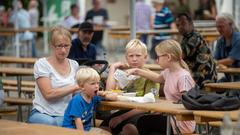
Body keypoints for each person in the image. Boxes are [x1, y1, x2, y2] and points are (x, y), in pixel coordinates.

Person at [126, 39, 196, 135]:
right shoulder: (168, 72)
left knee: (143, 122)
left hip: (181, 123)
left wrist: (164, 109)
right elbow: (157, 78)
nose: (156, 60)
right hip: (170, 117)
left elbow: (187, 102)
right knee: (145, 123)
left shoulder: (183, 77)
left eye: (158, 57)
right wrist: (136, 71)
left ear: (168, 57)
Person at [101, 39, 159, 135]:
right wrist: (112, 68)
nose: (134, 59)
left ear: (145, 57)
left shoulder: (151, 76)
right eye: (131, 56)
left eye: (138, 55)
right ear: (126, 58)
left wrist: (121, 118)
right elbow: (109, 92)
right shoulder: (124, 73)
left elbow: (148, 106)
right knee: (103, 129)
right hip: (123, 111)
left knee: (129, 129)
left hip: (142, 114)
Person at [28, 26, 80, 126]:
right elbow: (48, 94)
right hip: (42, 113)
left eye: (66, 45)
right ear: (51, 46)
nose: (63, 50)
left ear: (71, 45)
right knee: (52, 123)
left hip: (65, 114)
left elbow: (75, 95)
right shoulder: (41, 64)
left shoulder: (74, 65)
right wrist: (75, 87)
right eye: (59, 46)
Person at [62, 67, 117, 134]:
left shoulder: (94, 96)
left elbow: (114, 97)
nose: (97, 86)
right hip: (71, 130)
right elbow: (77, 121)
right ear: (82, 87)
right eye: (93, 83)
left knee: (107, 131)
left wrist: (104, 94)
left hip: (86, 128)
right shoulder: (77, 100)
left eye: (97, 83)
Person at [175, 13, 217, 88]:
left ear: (191, 23)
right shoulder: (187, 37)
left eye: (183, 24)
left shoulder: (194, 37)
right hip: (195, 74)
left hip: (204, 76)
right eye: (178, 25)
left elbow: (179, 56)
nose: (180, 27)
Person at [214, 13, 240, 82]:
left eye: (221, 26)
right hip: (230, 77)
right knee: (215, 86)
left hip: (238, 77)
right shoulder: (220, 40)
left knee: (234, 92)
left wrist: (214, 62)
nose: (219, 29)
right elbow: (215, 59)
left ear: (231, 25)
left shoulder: (238, 39)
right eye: (217, 27)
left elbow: (230, 61)